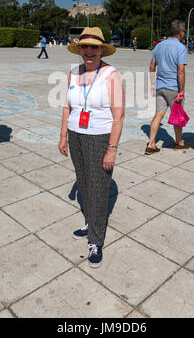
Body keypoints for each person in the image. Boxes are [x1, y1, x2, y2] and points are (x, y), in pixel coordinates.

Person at [59, 27, 124, 268]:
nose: (89, 52)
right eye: (85, 47)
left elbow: (119, 116)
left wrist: (112, 149)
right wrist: (63, 135)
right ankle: (90, 223)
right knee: (84, 181)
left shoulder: (111, 74)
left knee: (98, 188)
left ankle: (96, 240)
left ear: (101, 50)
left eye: (94, 47)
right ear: (80, 49)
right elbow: (67, 106)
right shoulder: (73, 73)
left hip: (100, 136)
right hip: (76, 134)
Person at [146, 19, 190, 154]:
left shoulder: (159, 46)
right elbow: (180, 70)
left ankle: (151, 144)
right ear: (182, 32)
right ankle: (178, 142)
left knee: (158, 115)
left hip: (160, 86)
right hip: (173, 88)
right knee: (177, 114)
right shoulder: (181, 48)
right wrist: (181, 90)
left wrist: (153, 84)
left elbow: (152, 66)